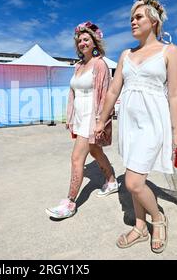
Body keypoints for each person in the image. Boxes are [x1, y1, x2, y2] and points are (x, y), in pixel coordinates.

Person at [95, 0, 177, 254]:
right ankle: (139, 226)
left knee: (133, 182)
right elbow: (113, 90)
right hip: (129, 124)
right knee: (135, 171)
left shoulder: (170, 51)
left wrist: (176, 132)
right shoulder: (126, 54)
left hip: (153, 122)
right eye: (131, 18)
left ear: (154, 21)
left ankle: (158, 219)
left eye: (138, 17)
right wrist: (101, 120)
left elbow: (175, 94)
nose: (132, 22)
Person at [45, 21, 118, 220]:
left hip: (91, 119)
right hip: (79, 117)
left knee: (76, 159)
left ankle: (69, 203)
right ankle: (112, 181)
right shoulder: (77, 66)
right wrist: (70, 117)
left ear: (95, 42)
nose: (82, 43)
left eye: (86, 39)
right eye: (79, 40)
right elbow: (74, 94)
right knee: (95, 150)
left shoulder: (100, 64)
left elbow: (105, 94)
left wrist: (101, 121)